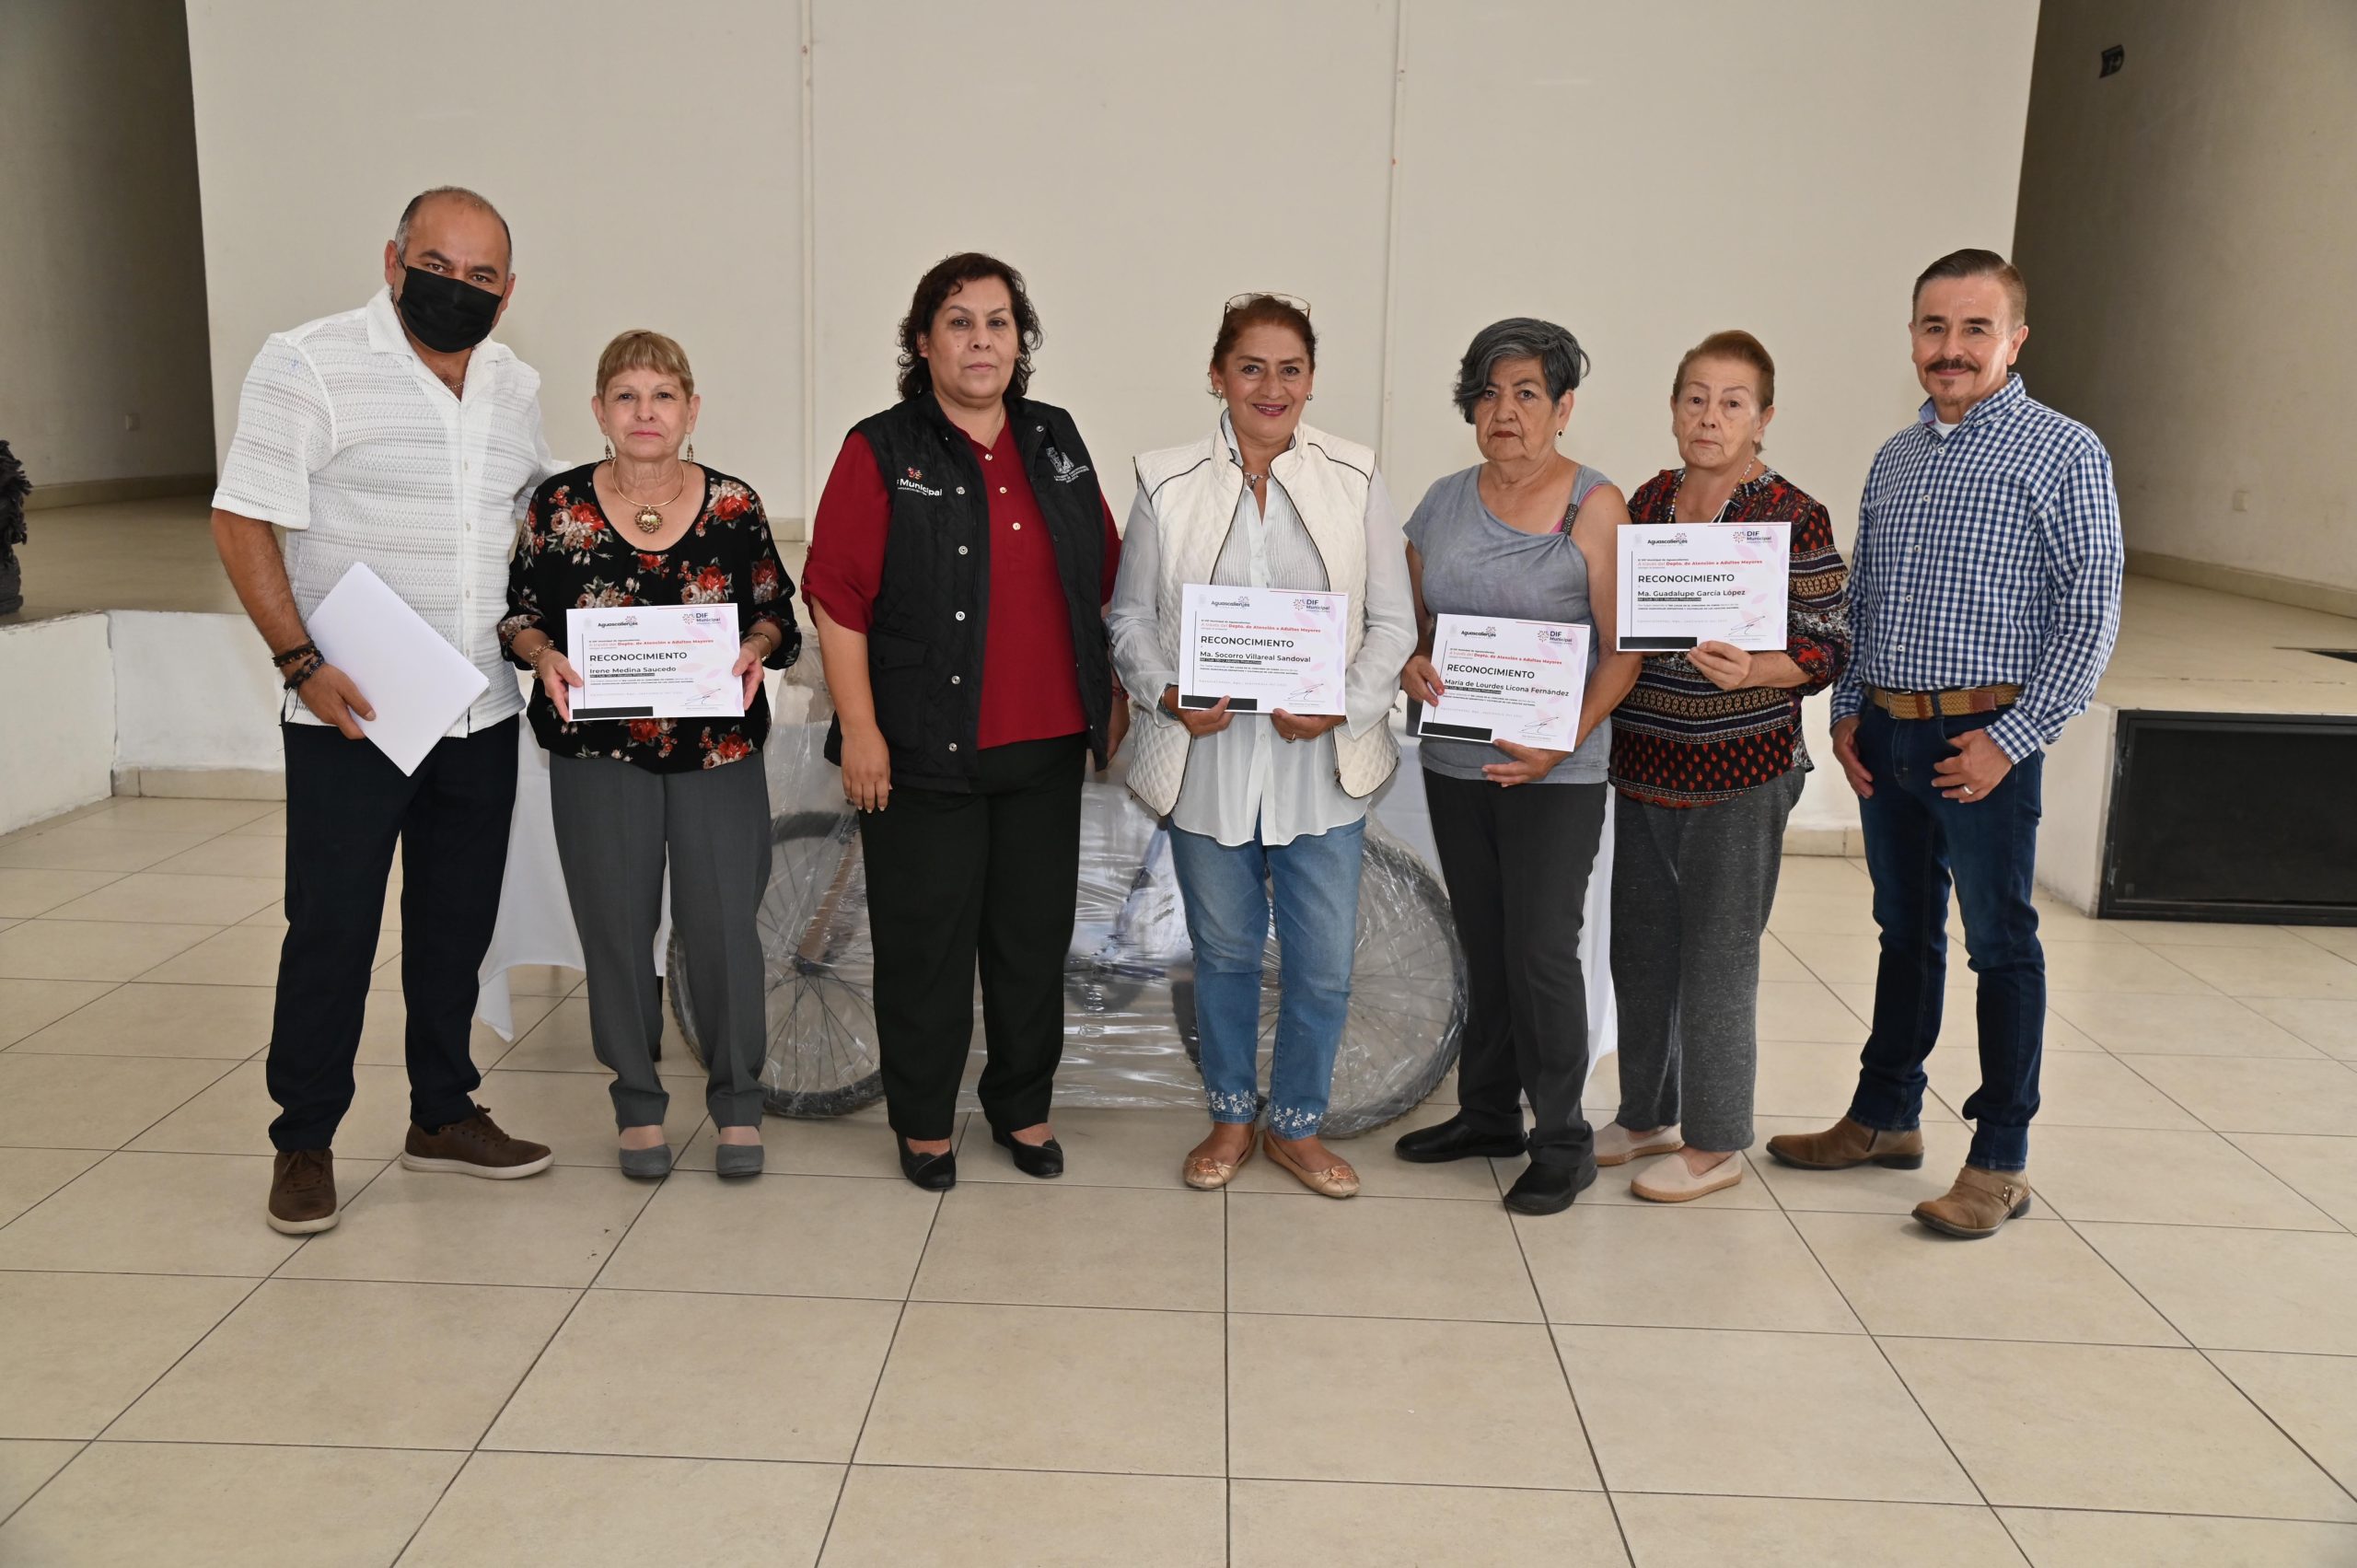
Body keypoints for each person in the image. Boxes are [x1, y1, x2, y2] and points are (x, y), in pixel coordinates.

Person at [210, 186, 560, 1236]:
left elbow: (528, 522)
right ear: (394, 259)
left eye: (481, 275)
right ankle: (304, 1138)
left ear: (508, 290)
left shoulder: (514, 385)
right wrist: (300, 662)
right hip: (351, 711)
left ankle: (442, 1112)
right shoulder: (309, 361)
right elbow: (241, 519)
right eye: (437, 265)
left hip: (479, 711)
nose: (458, 288)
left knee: (454, 926)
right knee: (332, 927)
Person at [1766, 249, 2122, 1239]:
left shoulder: (2064, 452)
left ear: (2015, 340)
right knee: (1903, 931)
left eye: (1975, 328)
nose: (1951, 347)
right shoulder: (1897, 457)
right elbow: (1867, 599)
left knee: (2000, 943)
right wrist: (1847, 711)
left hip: (1984, 739)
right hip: (1887, 732)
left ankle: (2000, 1157)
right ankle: (1884, 1115)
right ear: (1913, 338)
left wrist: (2011, 740)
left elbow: (2090, 611)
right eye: (1934, 327)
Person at [801, 252, 1123, 1191]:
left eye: (998, 322)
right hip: (920, 750)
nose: (981, 341)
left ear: (1020, 341)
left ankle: (1022, 1107)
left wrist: (1115, 691)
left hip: (1046, 746)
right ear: (923, 342)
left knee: (1029, 944)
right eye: (958, 322)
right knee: (926, 948)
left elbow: (1104, 574)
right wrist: (861, 728)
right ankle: (925, 1123)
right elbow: (837, 597)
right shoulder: (880, 449)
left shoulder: (1055, 438)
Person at [1109, 295, 1417, 1199]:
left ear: (1311, 380)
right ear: (1218, 375)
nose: (1270, 387)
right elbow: (1128, 618)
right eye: (1251, 367)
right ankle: (1232, 1116)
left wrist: (1341, 705)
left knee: (1322, 967)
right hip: (1206, 767)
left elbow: (1393, 624)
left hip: (1321, 770)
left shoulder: (1355, 475)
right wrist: (1166, 693)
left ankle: (1297, 1124)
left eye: (1290, 369)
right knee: (1225, 957)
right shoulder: (1165, 480)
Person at [498, 331, 799, 1179]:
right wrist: (540, 655)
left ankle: (738, 1103)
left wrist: (758, 644)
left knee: (724, 930)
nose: (645, 412)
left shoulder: (734, 506)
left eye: (663, 395)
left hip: (718, 750)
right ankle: (637, 1103)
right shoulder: (558, 505)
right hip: (598, 753)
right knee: (617, 931)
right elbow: (519, 613)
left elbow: (777, 613)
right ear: (599, 411)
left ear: (691, 410)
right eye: (626, 396)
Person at [1393, 319, 1641, 1215]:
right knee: (1484, 940)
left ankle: (1564, 1140)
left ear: (1563, 407)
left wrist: (1562, 739)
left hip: (1556, 772)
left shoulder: (1596, 506)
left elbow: (1623, 651)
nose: (1505, 410)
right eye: (1490, 393)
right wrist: (1408, 661)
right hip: (1456, 761)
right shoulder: (1442, 502)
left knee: (1540, 950)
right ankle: (1488, 1113)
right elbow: (1409, 621)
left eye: (1527, 393)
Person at [1596, 331, 1850, 1202]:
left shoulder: (1793, 513)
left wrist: (1759, 668)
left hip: (1742, 771)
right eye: (1695, 399)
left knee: (1717, 957)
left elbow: (1830, 643)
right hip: (1643, 762)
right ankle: (1646, 1113)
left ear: (1763, 418)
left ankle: (1715, 1142)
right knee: (1641, 950)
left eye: (1732, 403)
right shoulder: (1646, 500)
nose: (1711, 417)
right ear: (1673, 409)